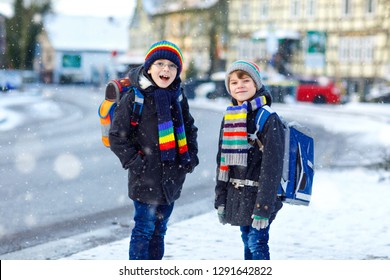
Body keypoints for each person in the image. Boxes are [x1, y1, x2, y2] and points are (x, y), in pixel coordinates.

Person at [109, 40, 199, 260]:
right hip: (144, 179)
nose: (165, 69)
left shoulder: (177, 96)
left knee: (160, 231)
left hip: (172, 178)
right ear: (148, 68)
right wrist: (137, 164)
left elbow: (189, 128)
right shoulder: (135, 97)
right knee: (144, 230)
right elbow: (117, 137)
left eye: (172, 65)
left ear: (177, 72)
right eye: (159, 63)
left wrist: (191, 158)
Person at [214, 60, 285, 260]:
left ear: (256, 84)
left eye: (246, 80)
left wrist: (263, 207)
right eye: (234, 83)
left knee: (257, 242)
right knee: (247, 240)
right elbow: (223, 162)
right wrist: (220, 199)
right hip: (240, 194)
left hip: (262, 194)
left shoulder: (268, 118)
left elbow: (273, 166)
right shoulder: (231, 117)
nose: (240, 86)